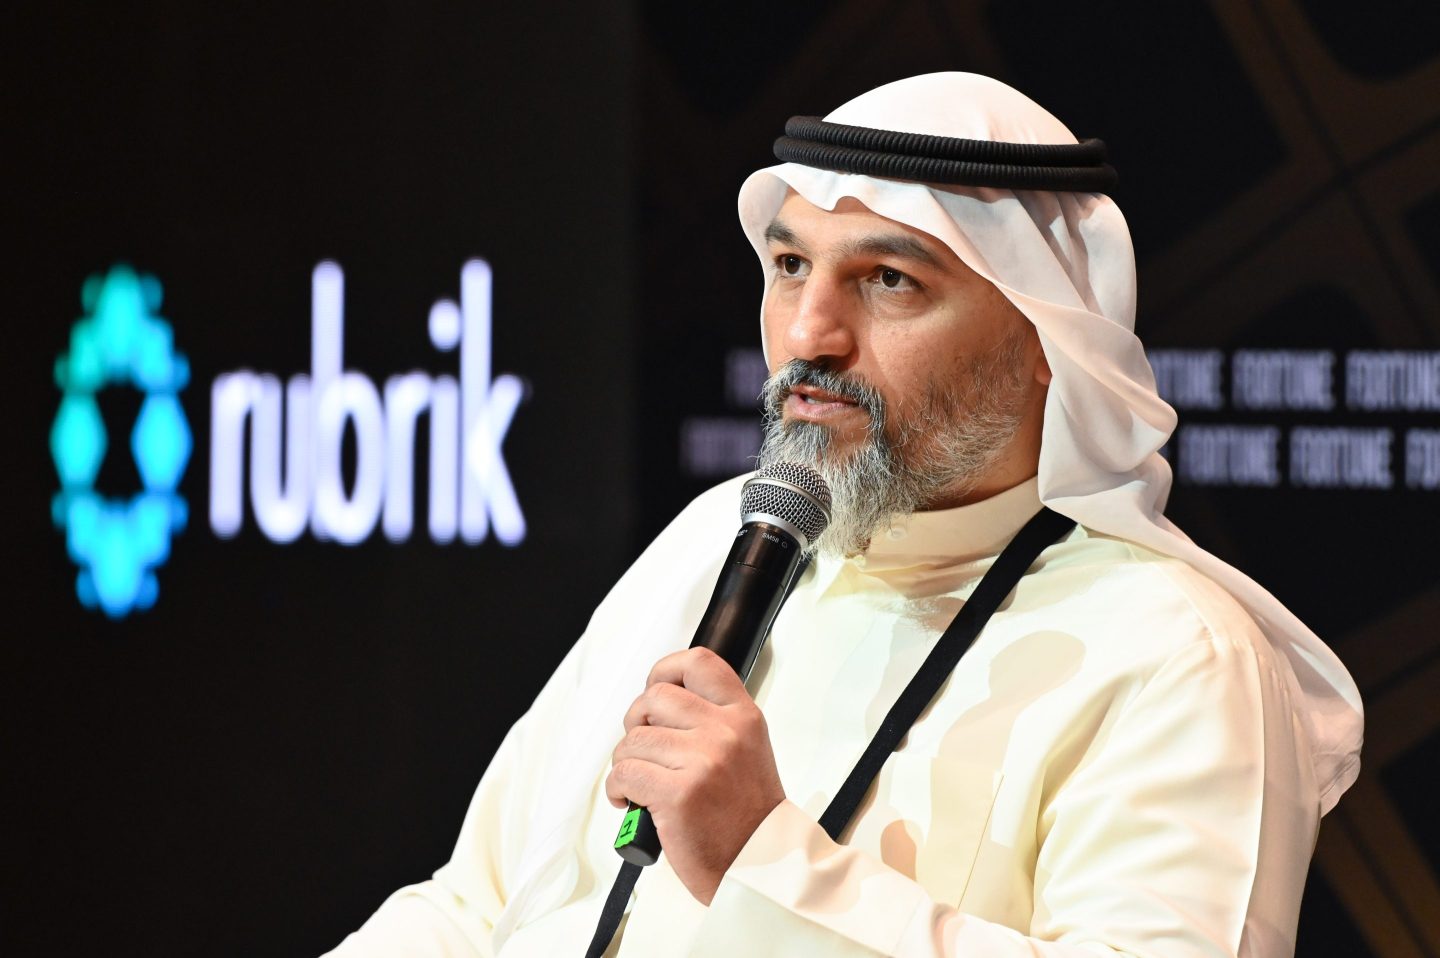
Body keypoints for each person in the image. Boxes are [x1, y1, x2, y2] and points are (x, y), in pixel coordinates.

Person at [326, 73, 1363, 957]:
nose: (809, 334)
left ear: (1050, 339)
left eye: (889, 280)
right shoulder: (712, 539)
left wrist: (764, 859)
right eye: (790, 267)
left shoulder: (1178, 657)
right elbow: (475, 907)